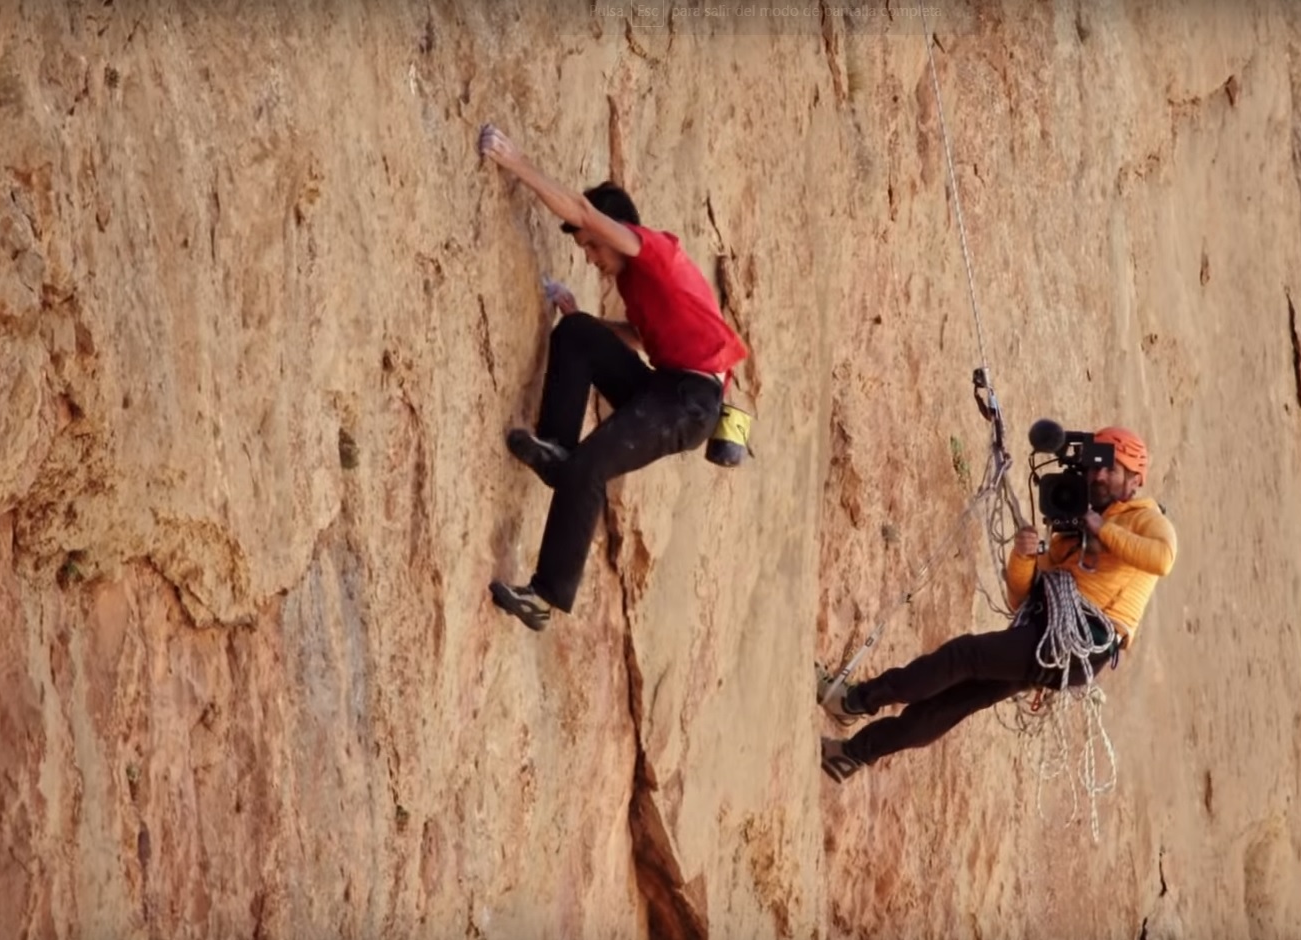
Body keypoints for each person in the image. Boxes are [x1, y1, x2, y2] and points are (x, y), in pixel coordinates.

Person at [477, 123, 750, 631]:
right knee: (578, 333)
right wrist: (584, 316)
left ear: (613, 232)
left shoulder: (654, 253)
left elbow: (582, 213)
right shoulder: (640, 285)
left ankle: (544, 597)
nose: (592, 258)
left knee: (591, 466)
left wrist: (515, 161)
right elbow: (649, 340)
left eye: (591, 248)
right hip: (665, 386)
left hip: (691, 404)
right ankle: (556, 450)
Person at [817, 427, 1176, 782]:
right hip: (1045, 631)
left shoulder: (1147, 520)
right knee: (955, 701)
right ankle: (850, 756)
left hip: (1077, 642)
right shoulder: (1073, 530)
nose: (1098, 475)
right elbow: (1021, 597)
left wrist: (1103, 529)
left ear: (1134, 480)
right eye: (1094, 466)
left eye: (1110, 469)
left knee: (963, 656)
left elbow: (1163, 560)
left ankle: (854, 701)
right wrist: (1023, 557)